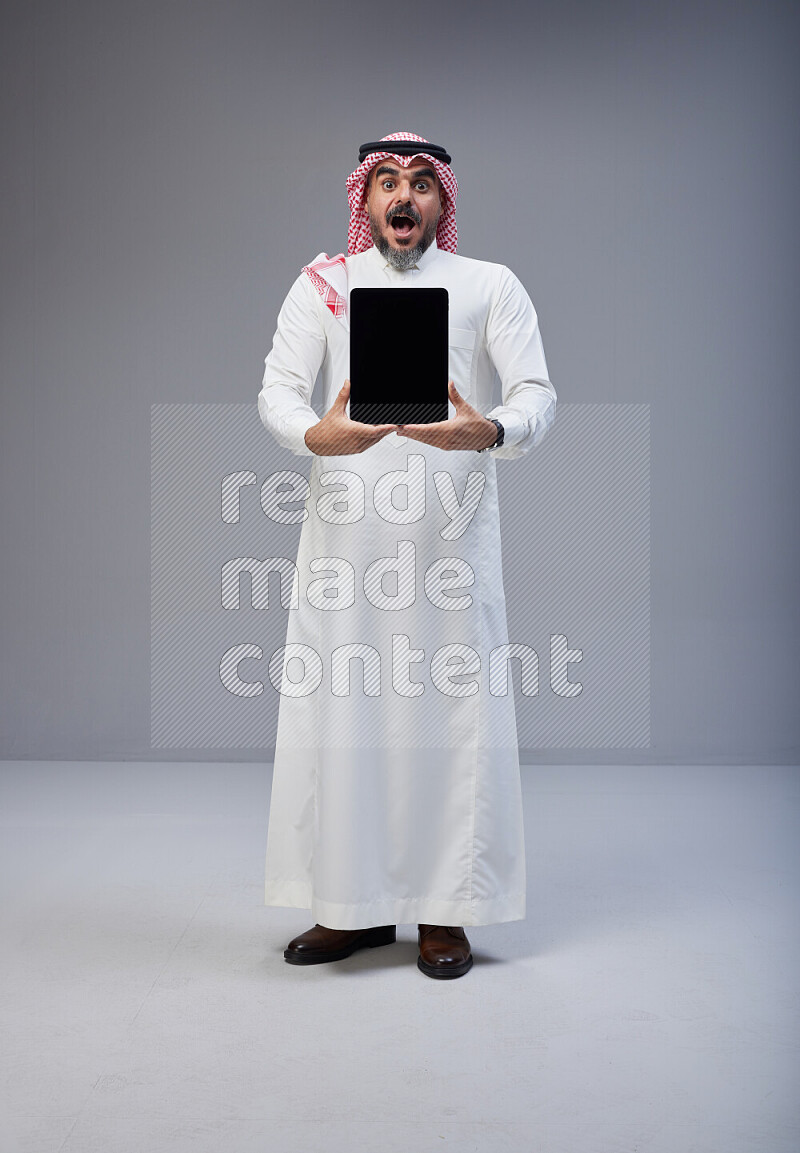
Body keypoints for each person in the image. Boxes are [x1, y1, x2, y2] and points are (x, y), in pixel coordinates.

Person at [257, 131, 556, 979]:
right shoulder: (324, 285)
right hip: (347, 538)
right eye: (387, 181)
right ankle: (350, 909)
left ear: (441, 201)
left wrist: (490, 429)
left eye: (421, 184)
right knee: (346, 717)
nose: (403, 197)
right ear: (366, 197)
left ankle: (442, 912)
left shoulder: (489, 285)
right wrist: (314, 433)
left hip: (450, 540)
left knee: (449, 719)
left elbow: (536, 391)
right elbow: (278, 388)